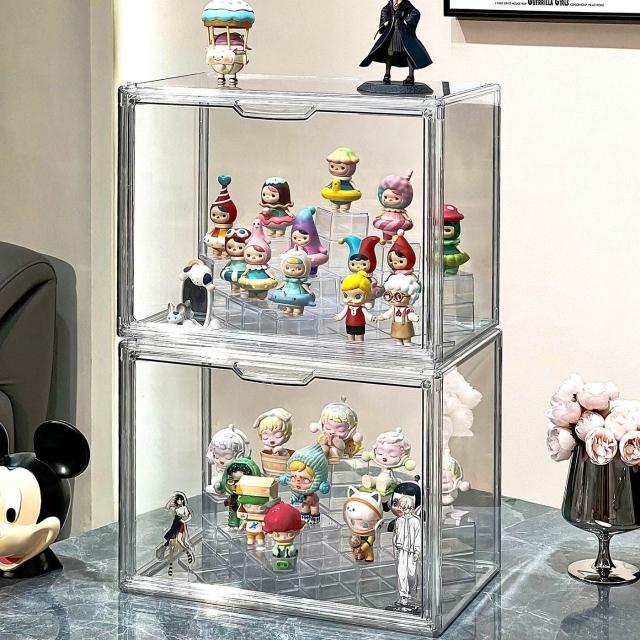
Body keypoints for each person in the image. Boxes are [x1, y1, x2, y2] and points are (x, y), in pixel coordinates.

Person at [360, 0, 433, 86]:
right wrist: (385, 22)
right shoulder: (390, 4)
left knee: (408, 54)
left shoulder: (406, 4)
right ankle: (387, 74)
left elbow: (416, 13)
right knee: (389, 53)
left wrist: (407, 21)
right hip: (392, 32)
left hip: (403, 33)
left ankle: (410, 76)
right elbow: (384, 12)